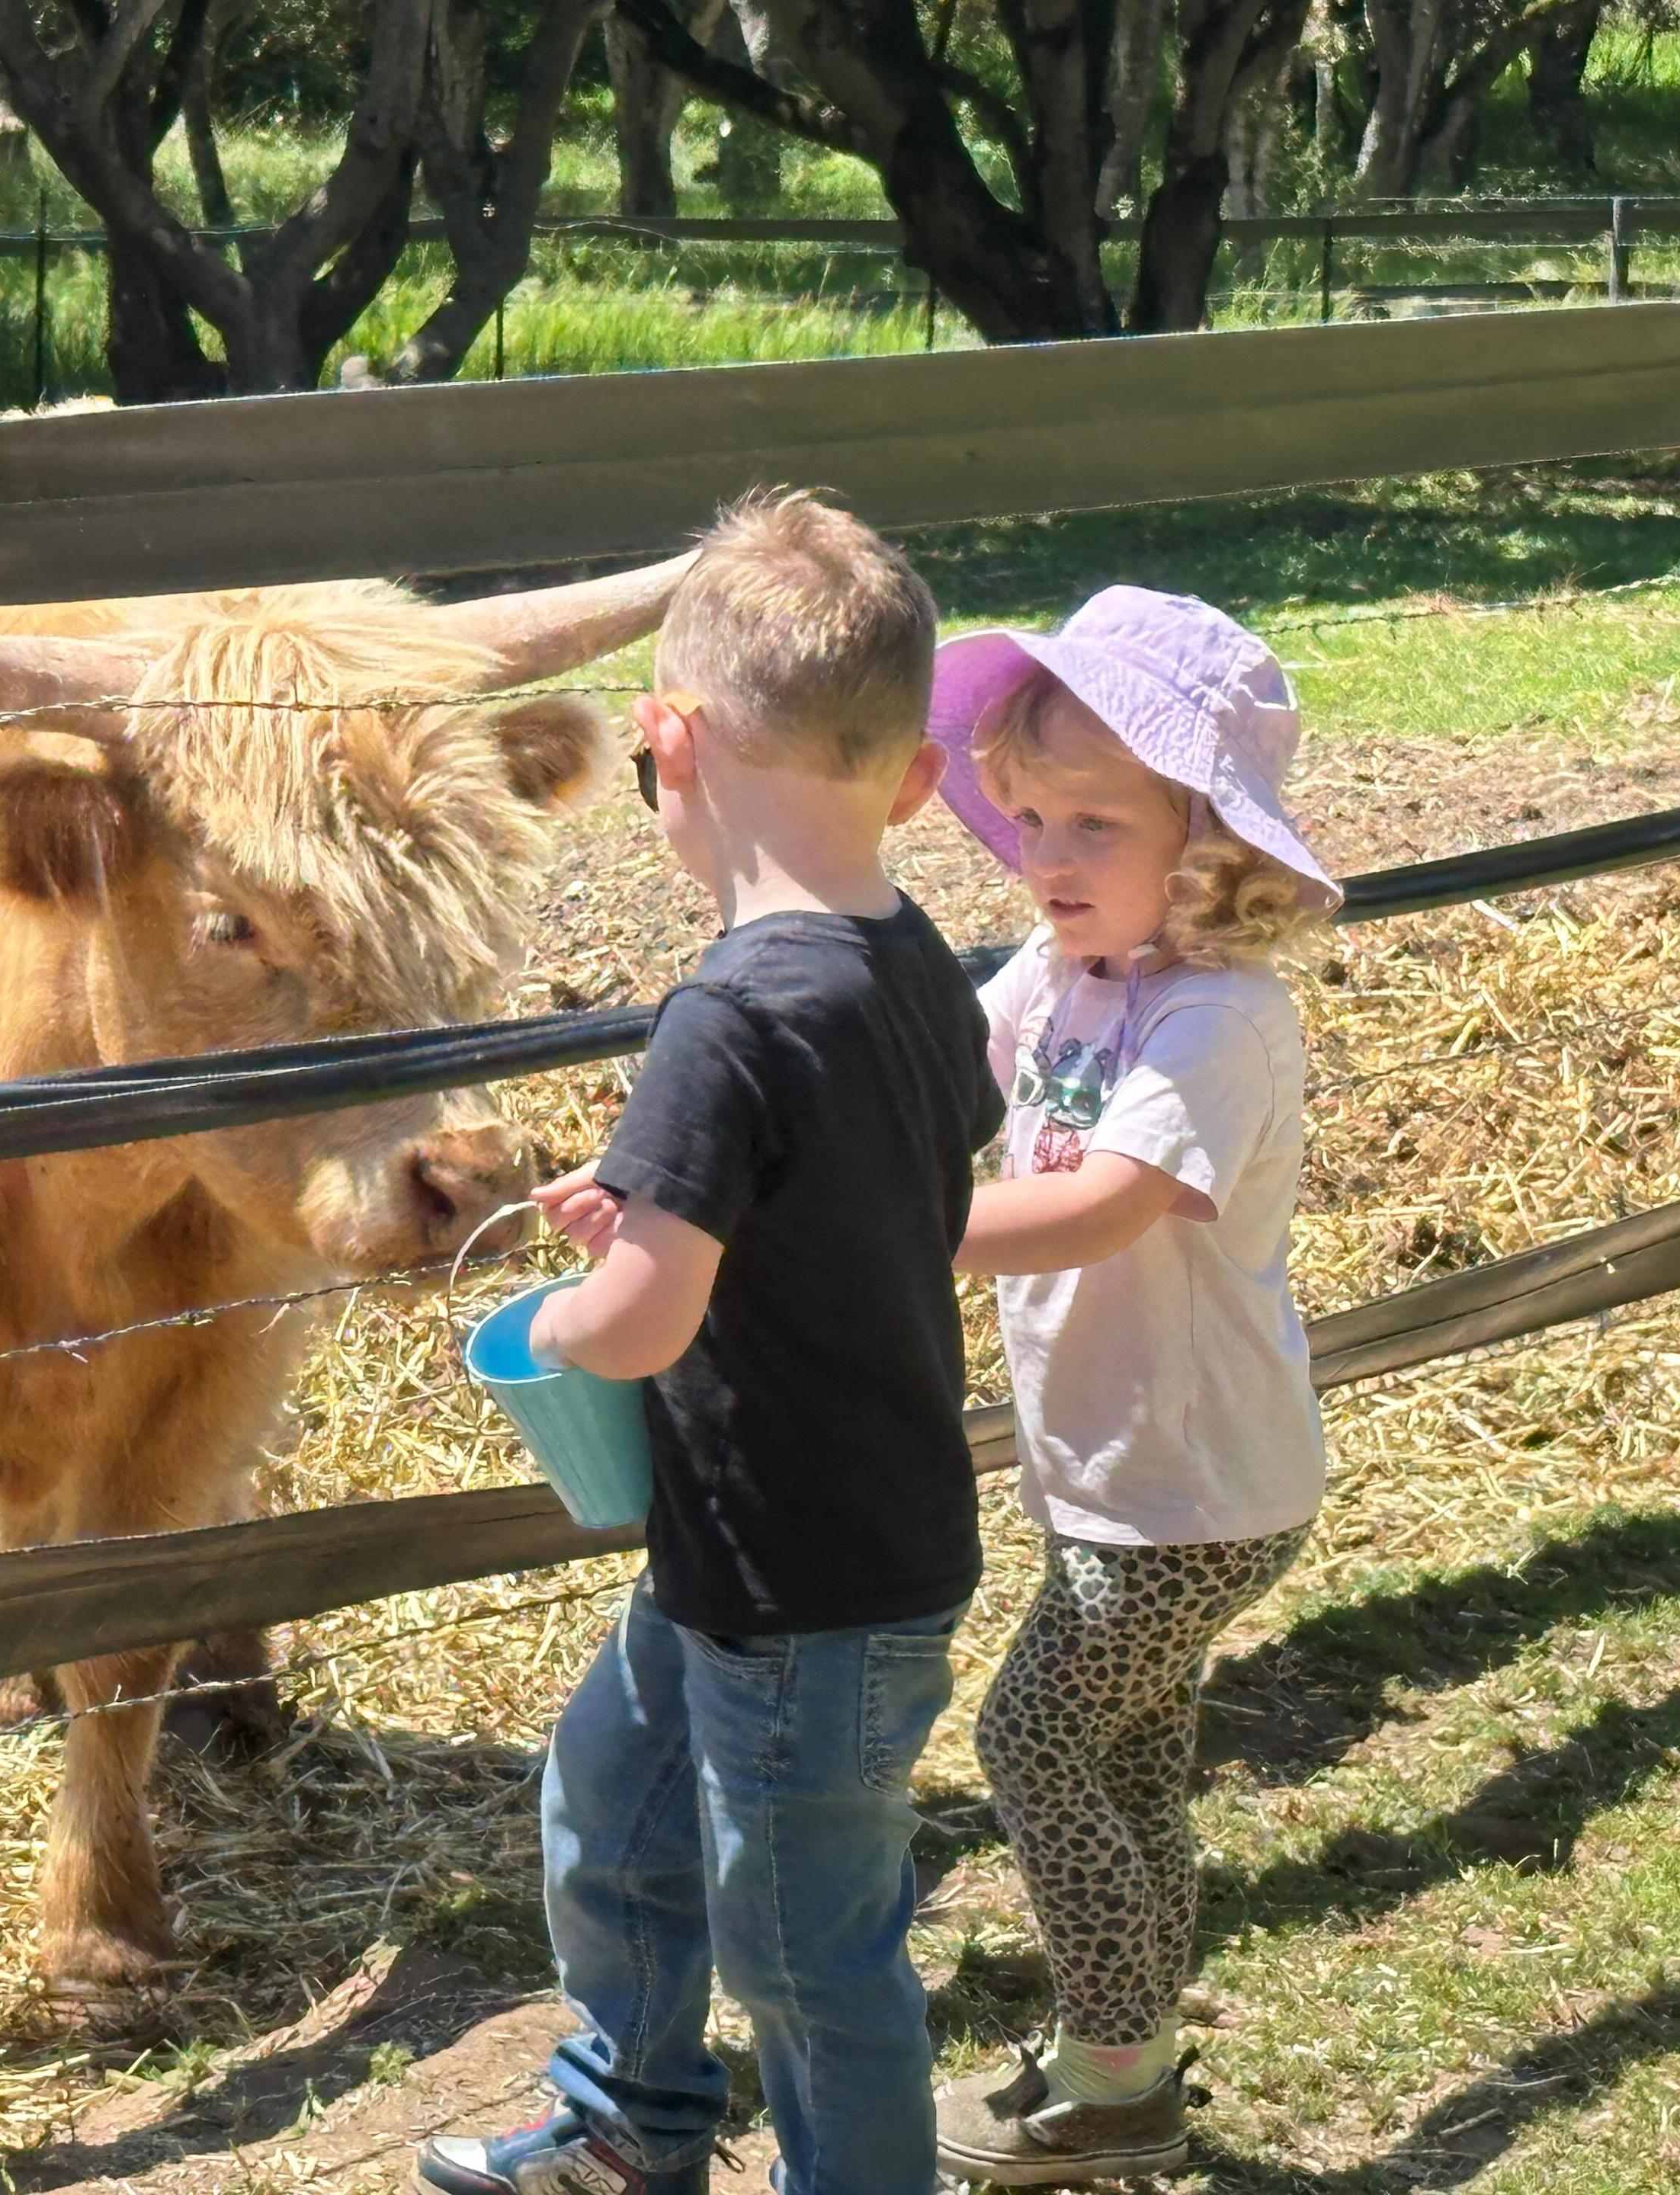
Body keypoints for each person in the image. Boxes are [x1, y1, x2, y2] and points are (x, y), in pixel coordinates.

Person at [418, 491, 1003, 2195]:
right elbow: (905, 1180)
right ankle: (628, 2126)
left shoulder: (724, 1015)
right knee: (612, 1803)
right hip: (775, 1550)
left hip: (803, 1590)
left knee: (810, 1962)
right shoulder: (914, 965)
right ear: (907, 779)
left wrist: (567, 1318)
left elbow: (647, 1320)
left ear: (667, 743)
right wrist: (689, 1208)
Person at [925, 589, 1337, 2187]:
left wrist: (890, 1236)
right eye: (1030, 816)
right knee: (1132, 1763)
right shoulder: (1062, 969)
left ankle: (1109, 2083)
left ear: (1214, 847)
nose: (1048, 855)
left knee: (1033, 1745)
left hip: (1192, 1489)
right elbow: (940, 1075)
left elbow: (1103, 1202)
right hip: (1123, 1472)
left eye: (1096, 820)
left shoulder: (1217, 1015)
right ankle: (1130, 2048)